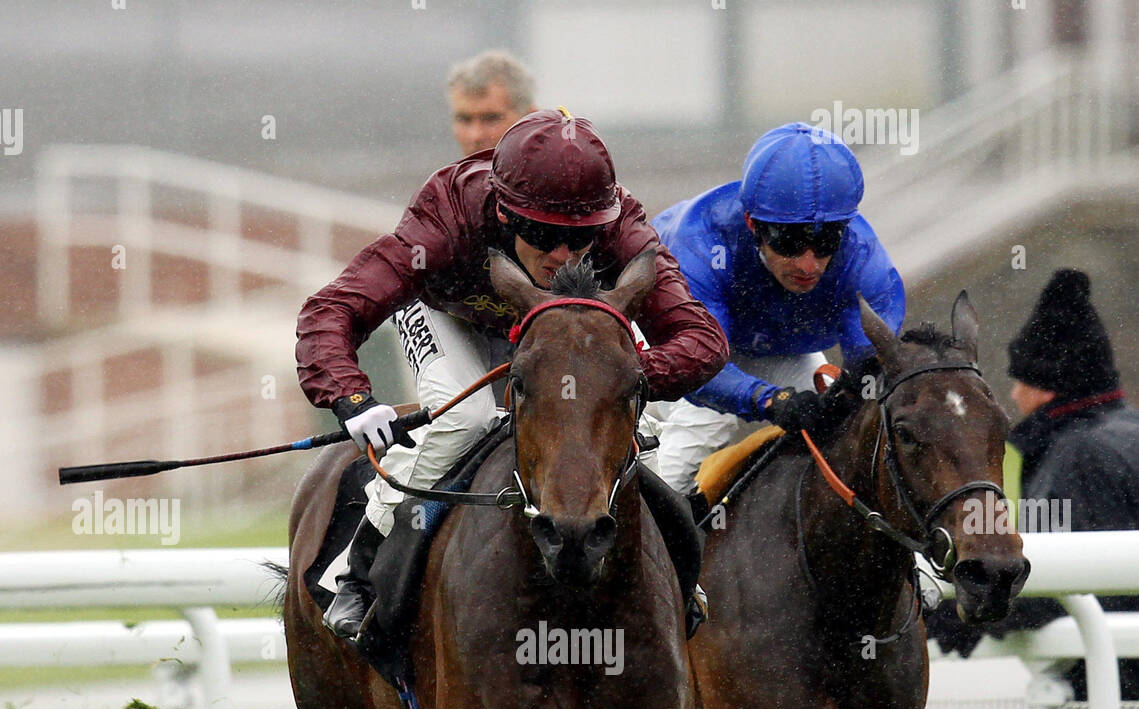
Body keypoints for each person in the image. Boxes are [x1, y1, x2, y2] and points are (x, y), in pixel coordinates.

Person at [296, 108, 729, 638]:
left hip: (568, 336)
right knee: (468, 420)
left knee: (646, 442)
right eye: (543, 235)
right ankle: (360, 570)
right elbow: (333, 309)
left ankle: (679, 582)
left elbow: (702, 340)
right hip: (453, 316)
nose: (562, 253)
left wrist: (619, 380)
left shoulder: (626, 232)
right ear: (504, 216)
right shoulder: (443, 221)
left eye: (583, 238)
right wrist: (351, 397)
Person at [648, 122, 905, 507]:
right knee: (705, 425)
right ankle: (653, 527)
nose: (808, 264)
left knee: (842, 429)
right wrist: (771, 400)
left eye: (825, 242)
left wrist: (852, 391)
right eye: (789, 241)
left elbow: (872, 371)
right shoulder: (699, 242)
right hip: (670, 342)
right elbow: (697, 366)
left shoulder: (863, 259)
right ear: (753, 224)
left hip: (770, 345)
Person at [925, 268, 1139, 699]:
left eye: (1019, 379)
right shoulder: (1125, 432)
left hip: (1119, 696)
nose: (1014, 394)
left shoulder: (1079, 455)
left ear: (1042, 388)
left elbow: (1069, 578)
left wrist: (963, 612)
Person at [447, 51, 537, 157]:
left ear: (531, 120)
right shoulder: (445, 173)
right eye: (464, 119)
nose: (475, 136)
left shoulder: (557, 171)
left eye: (491, 119)